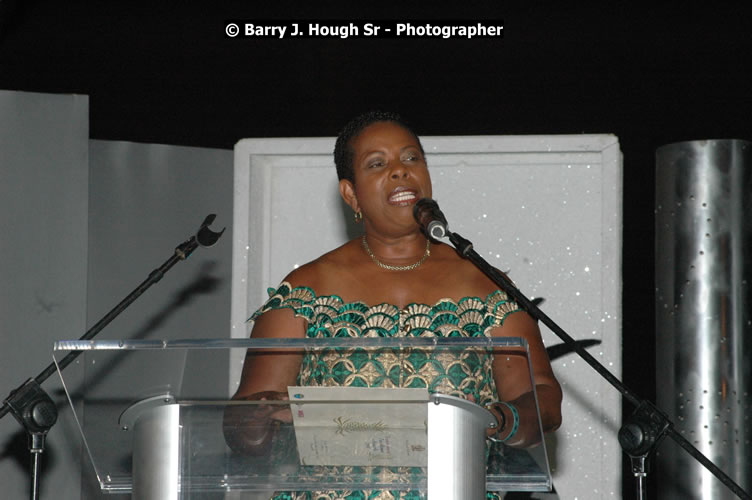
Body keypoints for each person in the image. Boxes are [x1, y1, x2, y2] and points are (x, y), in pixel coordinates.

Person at [224, 111, 563, 499]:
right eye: (377, 164)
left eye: (411, 158)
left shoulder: (485, 284)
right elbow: (241, 429)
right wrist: (260, 413)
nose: (401, 171)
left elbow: (542, 398)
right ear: (351, 194)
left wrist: (499, 419)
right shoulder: (306, 289)